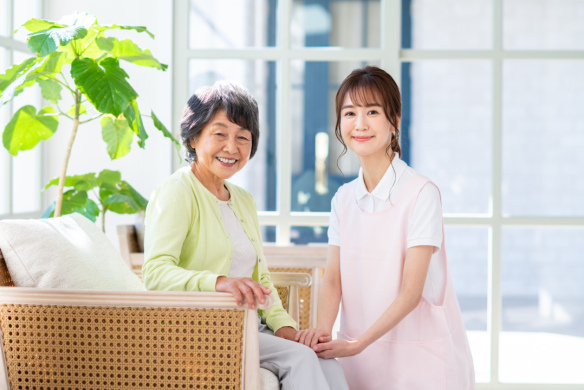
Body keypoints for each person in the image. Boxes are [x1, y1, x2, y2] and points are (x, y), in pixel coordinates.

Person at [142, 80, 348, 390]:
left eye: (243, 137)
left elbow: (261, 281)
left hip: (247, 326)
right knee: (300, 358)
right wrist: (219, 283)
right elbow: (155, 273)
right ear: (195, 137)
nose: (232, 147)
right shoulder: (177, 191)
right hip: (199, 329)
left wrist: (286, 329)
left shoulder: (242, 200)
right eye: (220, 134)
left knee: (321, 357)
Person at [295, 66, 476, 389]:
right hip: (358, 357)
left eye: (372, 112)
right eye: (349, 113)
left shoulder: (421, 193)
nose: (360, 124)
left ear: (394, 121)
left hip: (419, 361)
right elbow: (334, 279)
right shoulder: (343, 199)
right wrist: (324, 334)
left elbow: (411, 292)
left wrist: (358, 344)